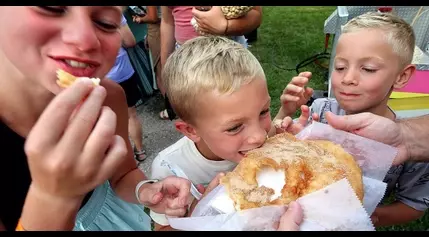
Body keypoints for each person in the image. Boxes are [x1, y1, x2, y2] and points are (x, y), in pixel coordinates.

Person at [0, 6, 191, 231]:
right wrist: (53, 198)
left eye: (107, 22)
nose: (86, 40)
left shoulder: (108, 97)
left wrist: (147, 190)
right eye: (51, 7)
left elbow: (124, 175)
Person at [277, 12, 428, 227]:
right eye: (340, 67)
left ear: (401, 76)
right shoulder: (320, 110)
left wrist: (361, 217)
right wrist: (284, 112)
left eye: (368, 69)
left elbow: (413, 204)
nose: (348, 79)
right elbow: (275, 153)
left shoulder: (415, 147)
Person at [149, 36, 303, 231]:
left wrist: (285, 115)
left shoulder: (253, 143)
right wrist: (199, 213)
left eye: (263, 112)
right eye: (234, 127)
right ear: (191, 130)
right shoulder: (170, 169)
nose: (258, 136)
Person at [158, 6, 262, 120]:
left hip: (226, 53)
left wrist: (226, 26)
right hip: (186, 60)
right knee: (199, 116)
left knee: (238, 112)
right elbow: (167, 21)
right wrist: (165, 64)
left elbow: (255, 14)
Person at [106, 15, 146, 161]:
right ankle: (140, 151)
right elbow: (130, 41)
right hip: (123, 73)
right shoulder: (112, 12)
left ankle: (124, 156)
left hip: (99, 78)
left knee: (109, 119)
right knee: (131, 114)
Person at [325, 112, 429, 165]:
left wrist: (404, 138)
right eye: (339, 69)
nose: (348, 79)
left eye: (369, 70)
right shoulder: (321, 107)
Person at [132, 6, 163, 98]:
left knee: (161, 73)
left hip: (158, 30)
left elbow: (153, 17)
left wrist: (140, 19)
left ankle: (171, 108)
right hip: (160, 28)